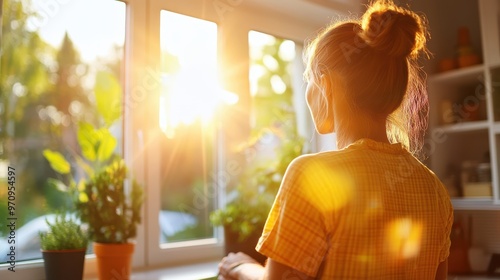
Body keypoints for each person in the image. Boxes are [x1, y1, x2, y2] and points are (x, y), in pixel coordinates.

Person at [218, 0, 453, 279]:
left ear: (326, 85)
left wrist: (240, 267)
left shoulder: (311, 176)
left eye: (309, 78)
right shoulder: (435, 190)